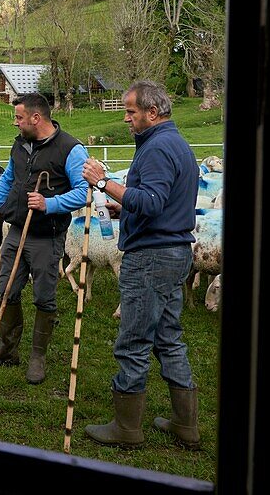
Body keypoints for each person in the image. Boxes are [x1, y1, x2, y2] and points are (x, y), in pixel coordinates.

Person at [80, 80, 201, 449]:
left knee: (133, 340)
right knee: (168, 338)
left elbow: (149, 201)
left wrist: (103, 184)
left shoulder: (159, 147)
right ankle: (186, 424)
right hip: (175, 250)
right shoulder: (176, 144)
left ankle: (127, 428)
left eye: (131, 111)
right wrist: (124, 205)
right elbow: (158, 202)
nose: (126, 118)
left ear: (152, 112)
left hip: (151, 257)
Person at [0, 92, 88, 384]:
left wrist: (49, 204)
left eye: (19, 118)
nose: (15, 123)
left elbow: (82, 192)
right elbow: (8, 180)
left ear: (36, 118)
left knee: (44, 297)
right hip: (15, 231)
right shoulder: (21, 144)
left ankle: (38, 357)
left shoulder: (71, 149)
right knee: (7, 290)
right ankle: (8, 349)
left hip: (46, 236)